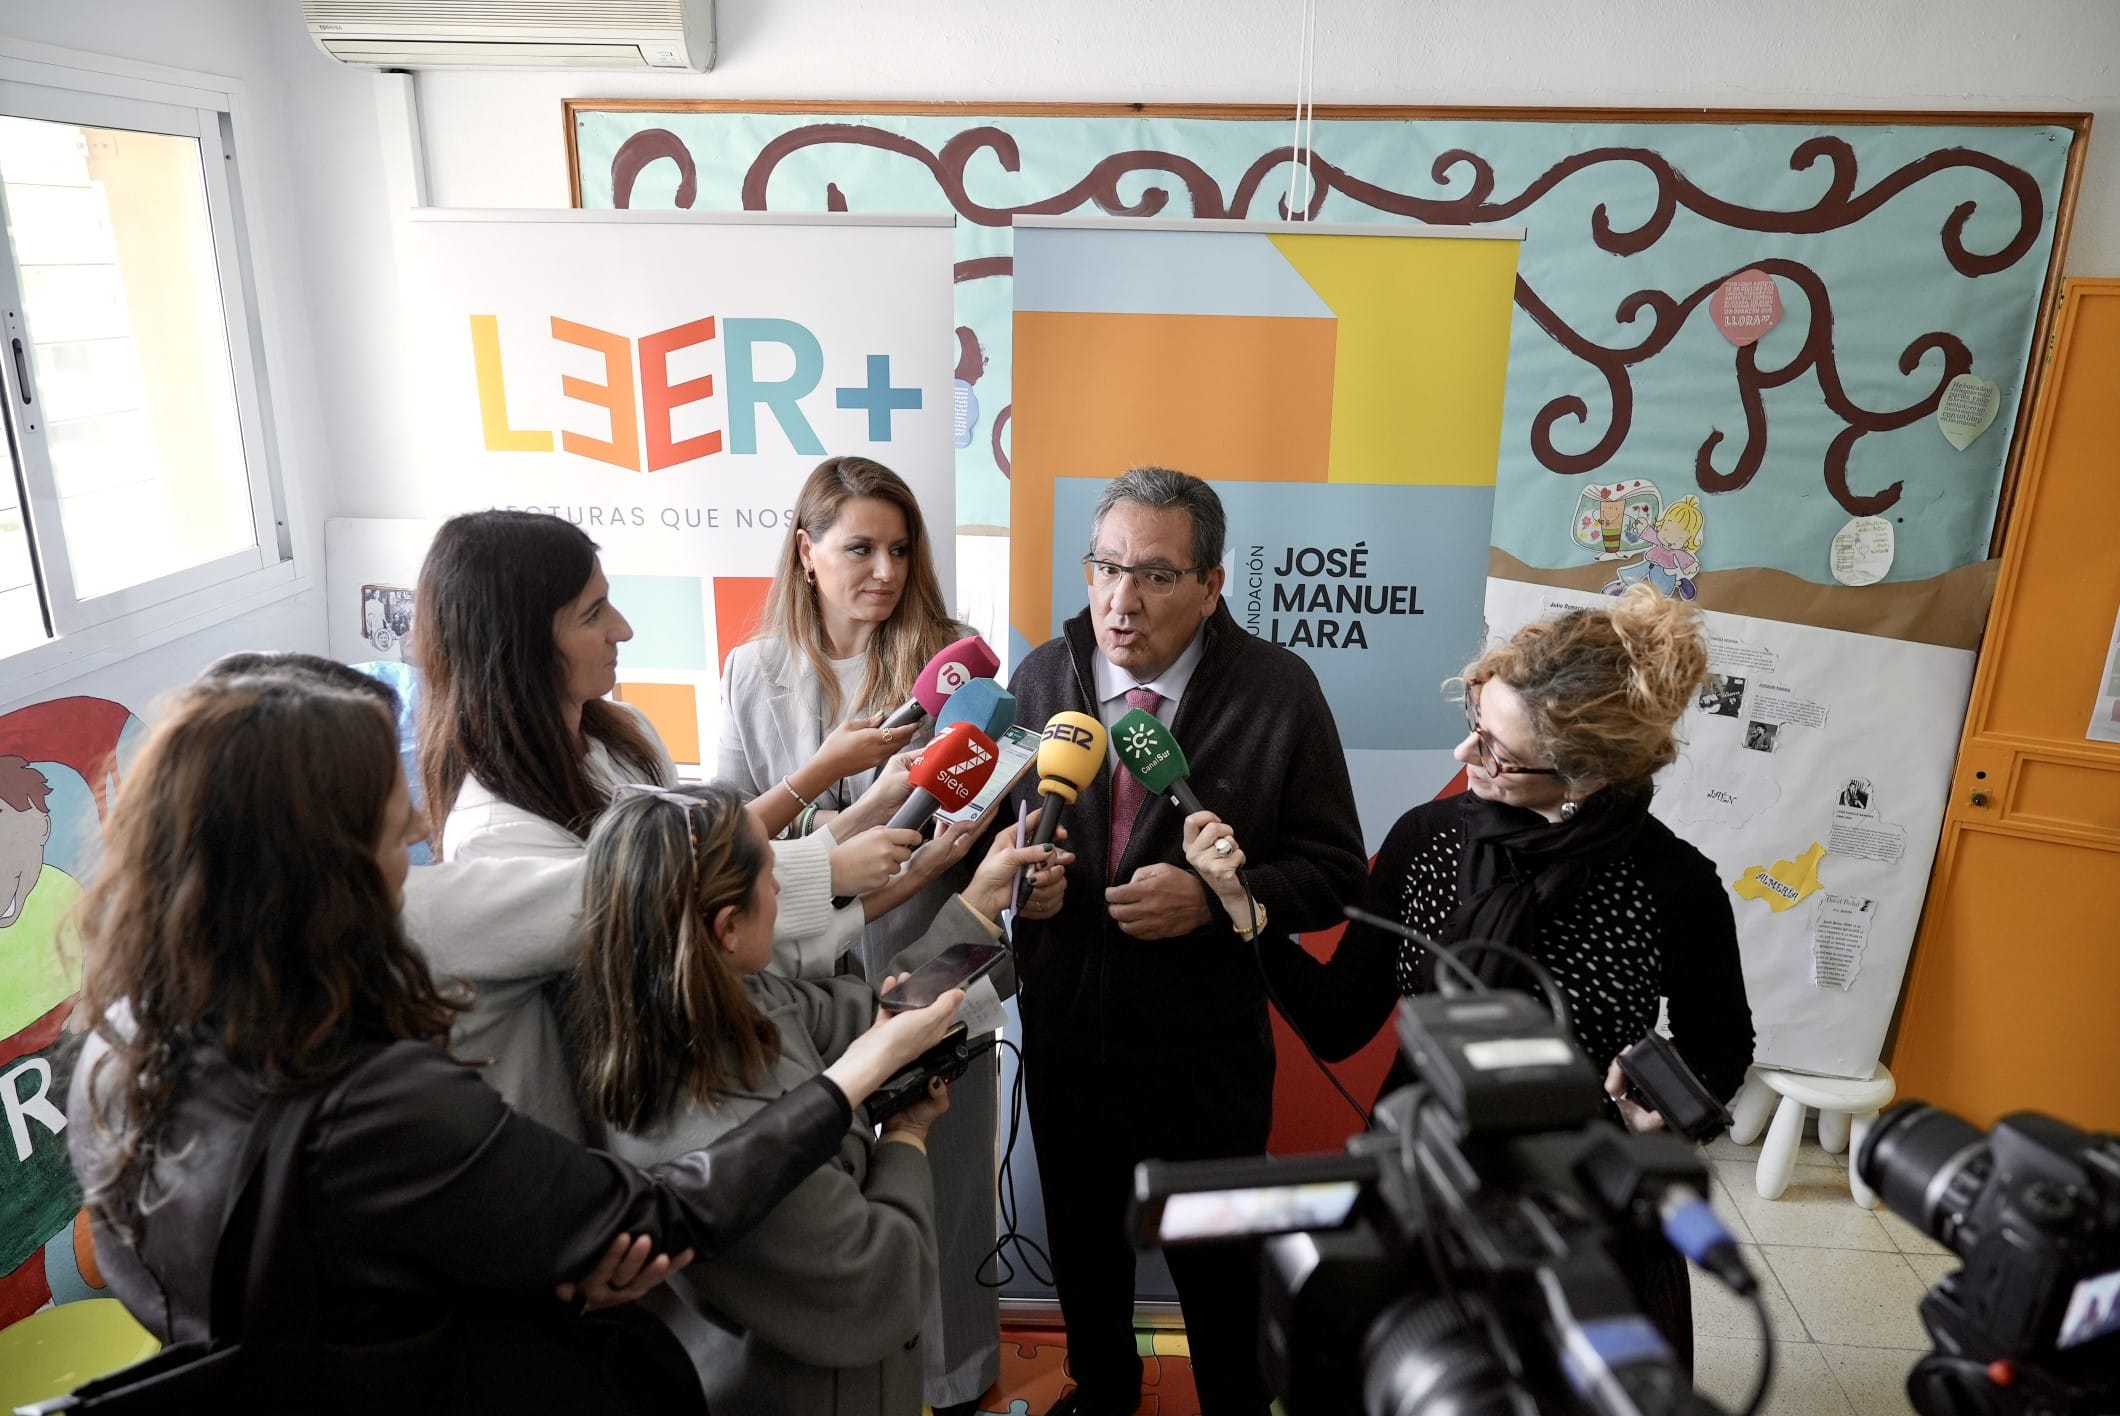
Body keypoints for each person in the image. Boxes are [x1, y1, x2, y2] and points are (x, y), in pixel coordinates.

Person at [65, 669, 966, 1413]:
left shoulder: (117, 1045)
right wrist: (852, 1085)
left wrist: (551, 1262)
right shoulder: (378, 1100)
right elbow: (653, 1218)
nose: (422, 834)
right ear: (313, 869)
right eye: (393, 828)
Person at [1188, 584, 1756, 1371]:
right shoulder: (1428, 839)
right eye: (1473, 726)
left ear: (1585, 775)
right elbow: (1338, 1019)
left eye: (1498, 751)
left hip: (1582, 1207)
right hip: (1419, 1183)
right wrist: (1241, 908)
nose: (1466, 758)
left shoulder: (1675, 885)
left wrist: (1667, 1113)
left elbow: (1720, 1049)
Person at [1004, 467, 1368, 1416]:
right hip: (1067, 1035)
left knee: (1218, 1270)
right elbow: (1018, 825)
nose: (1121, 603)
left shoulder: (1280, 692)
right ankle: (1105, 1392)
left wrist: (1214, 902)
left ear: (1212, 586)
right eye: (1106, 568)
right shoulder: (1045, 675)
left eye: (1157, 577)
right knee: (1086, 1248)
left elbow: (1334, 873)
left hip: (1205, 1054)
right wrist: (1027, 885)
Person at [401, 511, 938, 1140]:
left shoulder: (621, 738)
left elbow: (707, 875)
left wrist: (868, 837)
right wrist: (831, 864)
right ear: (517, 642)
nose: (622, 629)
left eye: (899, 551)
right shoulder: (495, 831)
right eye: (593, 613)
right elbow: (664, 918)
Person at [567, 782, 1069, 1415]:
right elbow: (877, 1286)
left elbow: (877, 1015)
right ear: (727, 927)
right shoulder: (718, 1119)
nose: (783, 888)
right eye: (771, 873)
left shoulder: (720, 993)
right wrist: (909, 1140)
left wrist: (978, 902)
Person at [716, 456, 1010, 1414]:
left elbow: (987, 823)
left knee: (951, 1196)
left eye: (899, 548)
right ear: (805, 553)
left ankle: (959, 1384)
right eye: (859, 548)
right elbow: (730, 841)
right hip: (798, 982)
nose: (884, 570)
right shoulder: (751, 669)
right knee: (838, 1196)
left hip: (933, 964)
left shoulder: (958, 656)